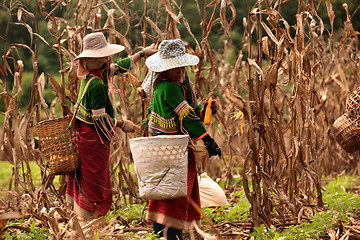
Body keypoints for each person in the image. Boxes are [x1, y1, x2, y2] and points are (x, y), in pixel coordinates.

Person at [66, 32, 157, 221]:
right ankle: (89, 219)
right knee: (94, 179)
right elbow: (99, 119)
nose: (101, 60)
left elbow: (119, 67)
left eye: (101, 56)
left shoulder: (93, 76)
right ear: (87, 61)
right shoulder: (97, 84)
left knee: (85, 177)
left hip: (84, 137)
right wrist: (123, 124)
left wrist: (142, 53)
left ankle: (83, 216)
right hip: (92, 140)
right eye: (95, 58)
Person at [141, 39, 221, 240]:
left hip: (164, 146)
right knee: (176, 190)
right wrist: (207, 140)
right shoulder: (170, 89)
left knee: (165, 189)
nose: (179, 71)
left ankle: (161, 232)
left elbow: (188, 112)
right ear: (164, 70)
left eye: (181, 67)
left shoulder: (166, 87)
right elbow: (187, 116)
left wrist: (205, 110)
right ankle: (171, 234)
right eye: (174, 67)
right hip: (172, 148)